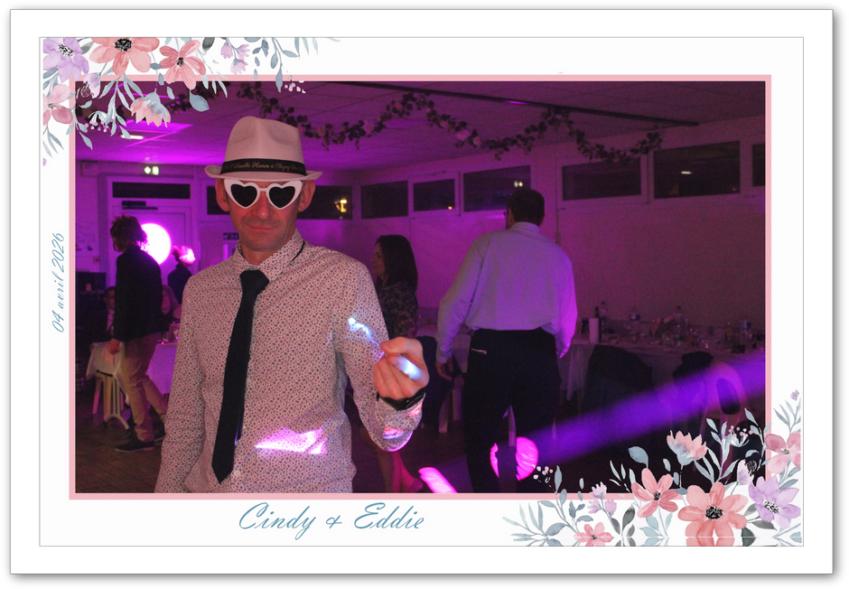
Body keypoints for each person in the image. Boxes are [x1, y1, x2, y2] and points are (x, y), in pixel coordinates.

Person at [156, 116, 428, 493]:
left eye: (280, 194)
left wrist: (403, 401)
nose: (262, 211)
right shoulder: (201, 291)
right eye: (245, 192)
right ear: (222, 194)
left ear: (304, 195)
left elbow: (386, 434)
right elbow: (186, 420)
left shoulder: (342, 280)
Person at [436, 189, 577, 492]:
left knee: (481, 437)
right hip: (539, 350)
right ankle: (532, 509)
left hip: (490, 350)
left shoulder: (487, 245)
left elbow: (455, 302)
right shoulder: (558, 255)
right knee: (537, 442)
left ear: (509, 214)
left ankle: (489, 503)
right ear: (541, 217)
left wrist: (443, 351)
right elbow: (568, 315)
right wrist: (557, 350)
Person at [108, 216, 169, 452]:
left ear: (120, 237)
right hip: (151, 328)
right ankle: (168, 420)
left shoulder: (125, 261)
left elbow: (124, 301)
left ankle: (144, 435)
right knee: (139, 376)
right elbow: (156, 297)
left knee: (131, 380)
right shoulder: (150, 261)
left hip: (134, 330)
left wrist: (117, 335)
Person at [370, 235, 422, 492]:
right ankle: (407, 482)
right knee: (380, 437)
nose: (374, 260)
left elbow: (405, 333)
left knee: (381, 438)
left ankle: (394, 496)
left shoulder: (398, 292)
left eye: (380, 256)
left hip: (391, 373)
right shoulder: (386, 290)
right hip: (383, 371)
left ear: (393, 259)